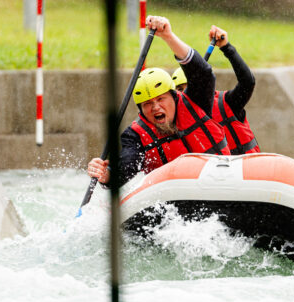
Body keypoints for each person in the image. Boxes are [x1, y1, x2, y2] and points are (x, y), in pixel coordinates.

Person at [87, 15, 230, 189]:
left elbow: (203, 73)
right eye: (147, 104)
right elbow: (126, 168)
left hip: (218, 182)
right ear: (140, 109)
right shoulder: (135, 136)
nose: (155, 107)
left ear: (174, 97)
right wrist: (107, 175)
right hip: (175, 200)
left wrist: (168, 36)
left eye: (161, 99)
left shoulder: (195, 101)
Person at [172, 25, 260, 155]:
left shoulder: (227, 103)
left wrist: (227, 48)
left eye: (189, 87)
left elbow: (248, 82)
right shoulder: (175, 121)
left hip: (246, 170)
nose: (189, 93)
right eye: (180, 89)